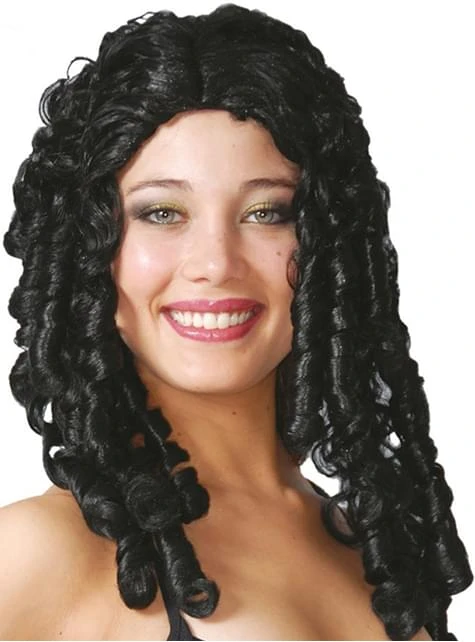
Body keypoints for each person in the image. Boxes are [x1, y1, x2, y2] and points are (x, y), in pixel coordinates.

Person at [0, 4, 472, 640]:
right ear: (87, 251)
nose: (216, 264)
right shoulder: (37, 554)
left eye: (266, 212)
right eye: (162, 213)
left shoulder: (376, 549)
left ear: (327, 245)